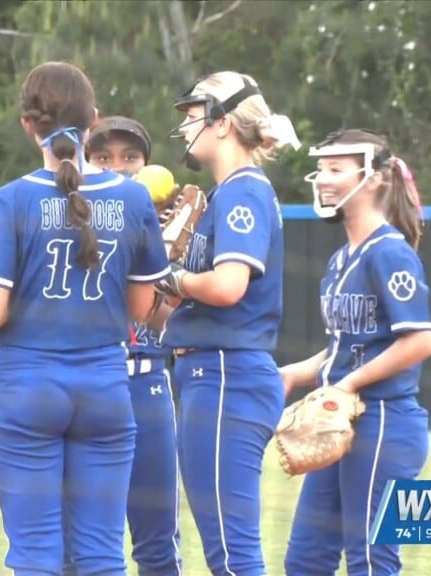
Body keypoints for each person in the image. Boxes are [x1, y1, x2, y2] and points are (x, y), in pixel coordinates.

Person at [0, 61, 172, 576]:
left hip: (28, 382)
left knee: (36, 555)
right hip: (104, 380)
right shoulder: (132, 195)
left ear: (27, 124)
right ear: (93, 120)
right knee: (101, 555)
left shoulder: (13, 199)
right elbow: (143, 310)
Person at [156, 71, 301, 576]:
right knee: (228, 552)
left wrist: (173, 278)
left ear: (222, 123)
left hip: (225, 376)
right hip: (217, 375)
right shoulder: (231, 192)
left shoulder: (241, 191)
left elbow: (228, 286)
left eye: (195, 113)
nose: (188, 124)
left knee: (233, 557)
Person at [281, 129, 431, 576]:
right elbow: (343, 349)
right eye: (321, 168)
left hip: (383, 424)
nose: (323, 178)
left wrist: (345, 384)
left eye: (336, 169)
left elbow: (419, 342)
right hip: (342, 424)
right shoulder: (341, 258)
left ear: (375, 178)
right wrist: (292, 373)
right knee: (306, 561)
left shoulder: (390, 253)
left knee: (370, 561)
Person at [81, 116, 183, 576]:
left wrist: (164, 262)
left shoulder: (159, 229)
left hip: (146, 386)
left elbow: (167, 321)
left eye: (130, 158)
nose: (118, 168)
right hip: (84, 386)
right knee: (78, 545)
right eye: (103, 157)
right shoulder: (63, 225)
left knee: (158, 543)